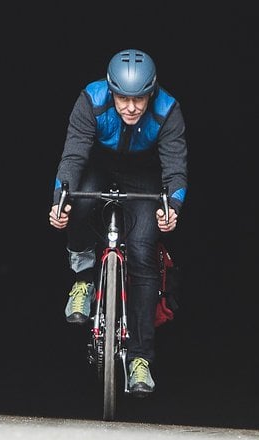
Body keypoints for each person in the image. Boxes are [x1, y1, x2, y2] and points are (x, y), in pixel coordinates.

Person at [48, 48, 188, 396]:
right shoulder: (91, 100)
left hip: (143, 173)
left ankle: (140, 359)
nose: (130, 107)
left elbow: (175, 168)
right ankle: (83, 280)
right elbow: (73, 155)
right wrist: (59, 203)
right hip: (97, 163)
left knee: (142, 251)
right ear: (110, 91)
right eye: (122, 98)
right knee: (79, 200)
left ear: (151, 93)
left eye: (139, 99)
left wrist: (171, 208)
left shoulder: (168, 109)